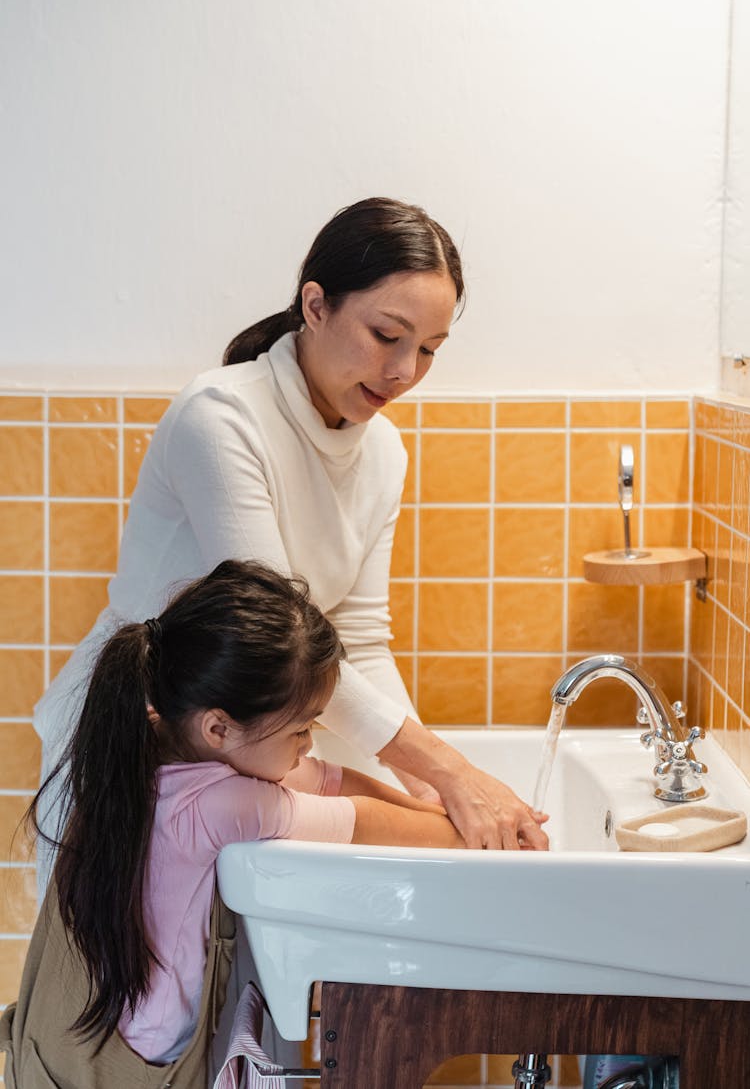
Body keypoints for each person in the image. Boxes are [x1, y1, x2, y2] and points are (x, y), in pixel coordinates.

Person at [33, 196, 547, 896]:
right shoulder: (221, 418)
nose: (404, 371)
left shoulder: (383, 453)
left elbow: (359, 638)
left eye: (429, 349)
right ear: (315, 305)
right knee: (130, 998)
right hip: (138, 748)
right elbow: (276, 645)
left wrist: (426, 789)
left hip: (244, 758)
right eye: (386, 334)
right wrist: (452, 772)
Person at [2, 560, 467, 1088]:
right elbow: (359, 819)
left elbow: (328, 781)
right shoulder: (220, 806)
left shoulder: (143, 749)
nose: (308, 743)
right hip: (142, 1064)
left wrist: (440, 808)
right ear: (219, 728)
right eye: (300, 729)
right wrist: (473, 840)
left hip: (78, 1032)